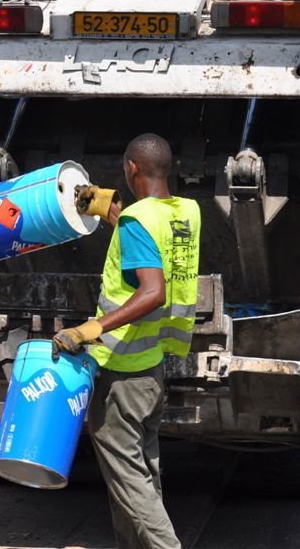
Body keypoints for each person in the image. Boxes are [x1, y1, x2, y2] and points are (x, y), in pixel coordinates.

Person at [53, 133, 201, 549]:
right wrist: (113, 215)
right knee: (141, 474)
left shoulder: (140, 223)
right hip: (152, 367)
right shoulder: (184, 212)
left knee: (128, 480)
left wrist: (90, 329)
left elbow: (153, 291)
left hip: (123, 373)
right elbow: (154, 246)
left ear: (131, 168)